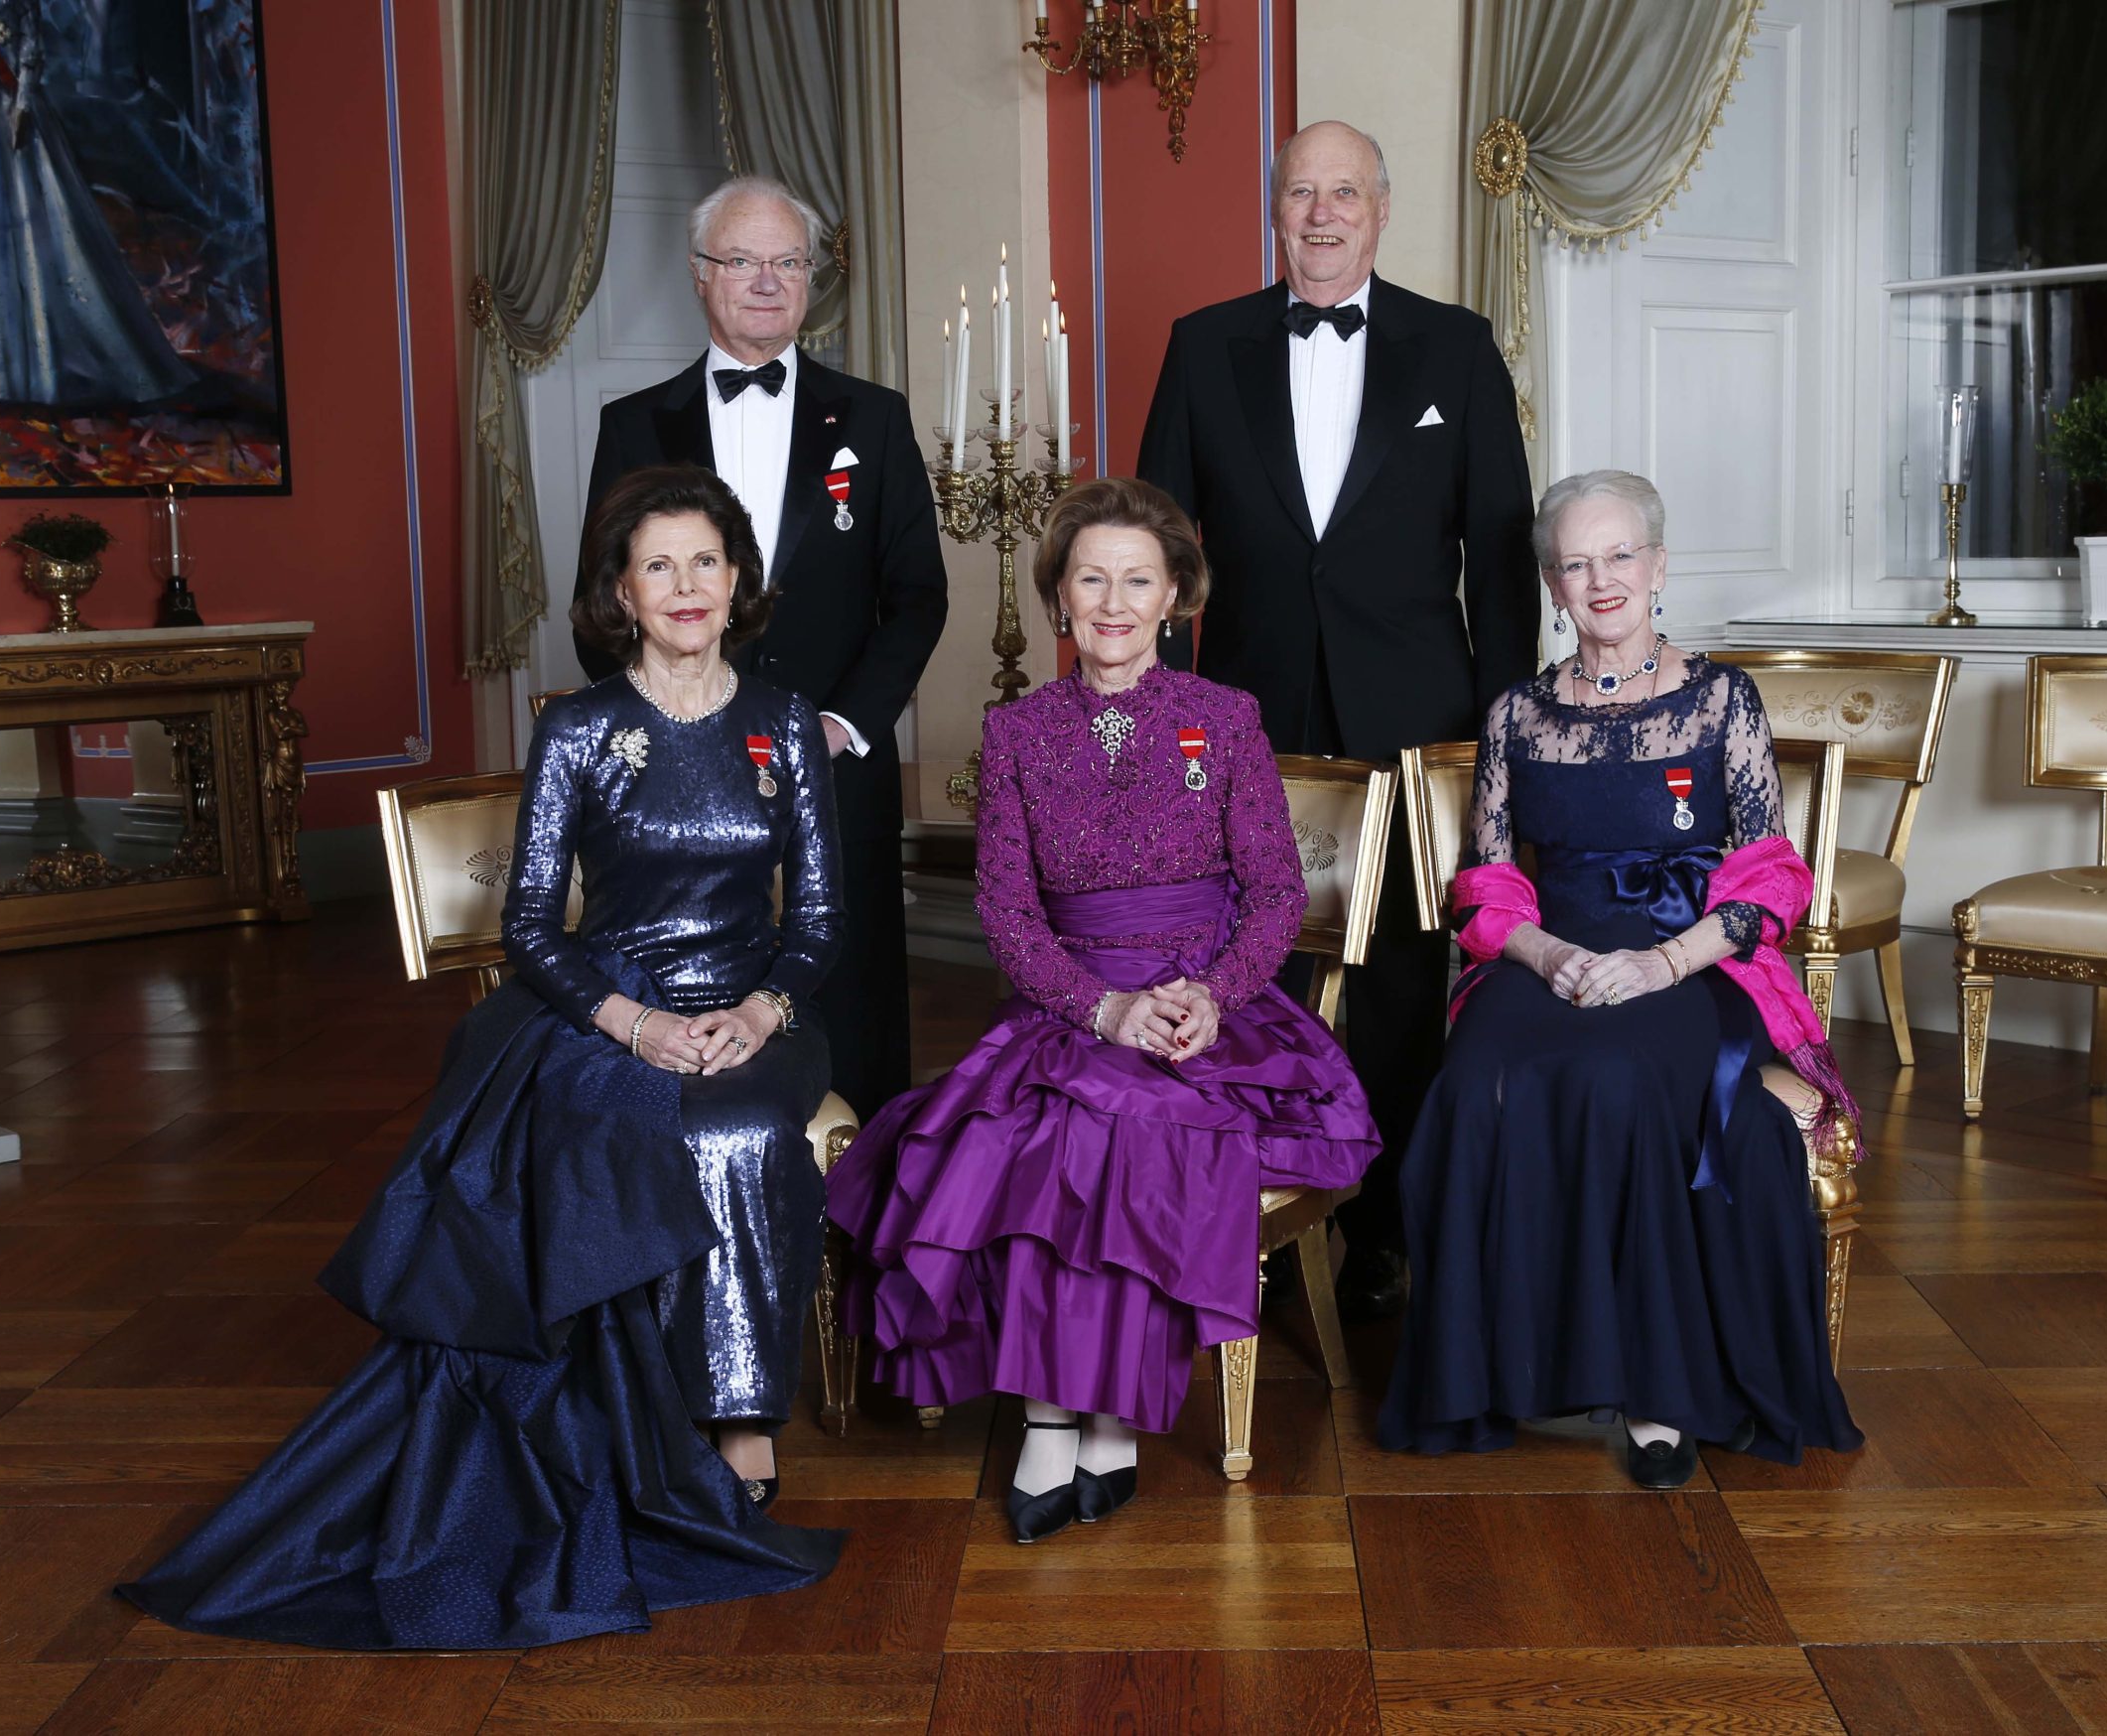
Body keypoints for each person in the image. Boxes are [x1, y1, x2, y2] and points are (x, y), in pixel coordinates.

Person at [121, 466, 846, 1648]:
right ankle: (637, 1416)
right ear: (619, 589)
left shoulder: (781, 722)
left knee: (747, 1126)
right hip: (611, 1002)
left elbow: (816, 922)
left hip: (755, 1002)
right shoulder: (577, 727)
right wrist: (636, 1025)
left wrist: (759, 1015)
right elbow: (525, 930)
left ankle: (741, 1416)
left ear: (737, 579)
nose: (684, 585)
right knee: (649, 1121)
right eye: (656, 564)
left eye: (704, 561)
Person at [826, 477, 1378, 1544]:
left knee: (1132, 1128)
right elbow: (1005, 911)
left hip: (1212, 1007)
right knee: (1042, 1132)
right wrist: (1100, 1009)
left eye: (1137, 580)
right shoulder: (1019, 730)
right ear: (1058, 600)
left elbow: (1272, 893)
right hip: (1073, 1005)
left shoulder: (1225, 719)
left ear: (1175, 596)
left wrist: (1206, 998)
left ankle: (1113, 1417)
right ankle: (1047, 1416)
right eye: (1091, 580)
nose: (1113, 603)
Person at [1377, 469, 1864, 1489]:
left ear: (1657, 565)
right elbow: (1488, 882)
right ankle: (1490, 1374)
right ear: (1552, 586)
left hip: (1687, 957)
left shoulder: (1721, 698)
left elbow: (1770, 875)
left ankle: (1658, 1390)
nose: (1599, 580)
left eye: (1618, 556)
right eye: (1574, 563)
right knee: (1472, 1088)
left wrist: (1660, 962)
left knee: (1628, 1085)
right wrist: (1547, 955)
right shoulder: (1518, 714)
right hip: (1550, 955)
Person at [1136, 120, 1537, 1319]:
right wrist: (1153, 720)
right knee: (1239, 965)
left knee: (1406, 983)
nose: (1320, 214)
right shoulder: (1204, 348)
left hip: (1416, 725)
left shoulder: (1455, 349)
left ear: (1380, 208)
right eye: (1301, 192)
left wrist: (1498, 739)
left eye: (1343, 193)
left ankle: (1390, 1227)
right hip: (1241, 718)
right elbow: (1153, 548)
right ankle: (1250, 1208)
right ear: (1276, 208)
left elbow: (1506, 563)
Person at [571, 175, 945, 1123]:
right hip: (678, 788)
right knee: (694, 1021)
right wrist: (679, 733)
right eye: (743, 260)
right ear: (702, 275)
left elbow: (916, 598)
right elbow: (599, 606)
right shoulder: (634, 425)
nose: (768, 281)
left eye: (788, 262)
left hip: (836, 764)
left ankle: (865, 1230)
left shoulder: (874, 418)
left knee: (856, 1013)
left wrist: (839, 724)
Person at [0, 0, 195, 404]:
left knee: (22, 222)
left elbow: (31, 38)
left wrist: (25, 100)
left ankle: (25, 362)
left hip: (4, 99)